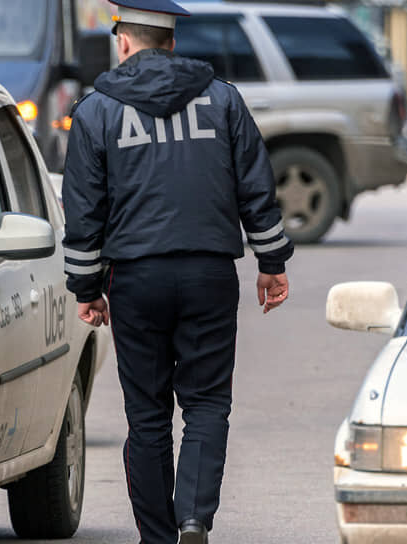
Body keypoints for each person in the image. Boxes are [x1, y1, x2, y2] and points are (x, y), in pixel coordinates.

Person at [60, 1, 293, 543]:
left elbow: (84, 208)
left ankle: (160, 537)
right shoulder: (222, 98)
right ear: (171, 41)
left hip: (135, 279)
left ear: (124, 41)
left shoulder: (96, 111)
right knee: (207, 403)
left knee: (147, 417)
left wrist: (86, 287)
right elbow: (256, 185)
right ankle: (194, 517)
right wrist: (271, 263)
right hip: (209, 270)